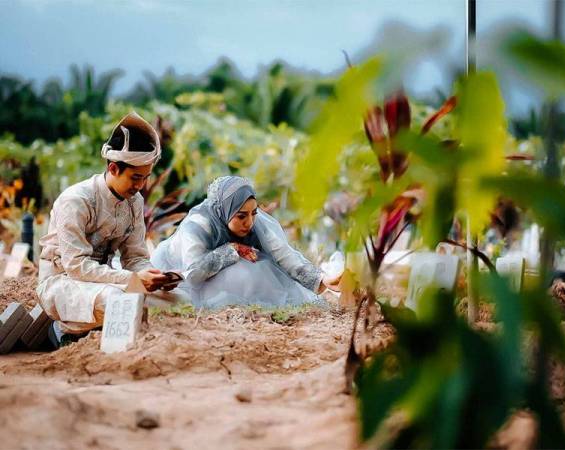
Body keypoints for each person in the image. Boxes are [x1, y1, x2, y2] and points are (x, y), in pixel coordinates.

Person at [37, 112, 176, 348]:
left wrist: (154, 277)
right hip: (63, 283)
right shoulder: (76, 201)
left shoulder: (135, 202)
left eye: (145, 178)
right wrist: (132, 279)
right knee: (118, 299)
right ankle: (63, 329)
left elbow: (136, 258)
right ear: (113, 168)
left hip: (107, 281)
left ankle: (101, 332)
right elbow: (76, 267)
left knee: (176, 301)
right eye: (135, 178)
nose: (140, 186)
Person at [151, 176, 340, 308]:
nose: (249, 222)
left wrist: (322, 279)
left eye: (254, 213)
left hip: (219, 267)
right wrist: (232, 249)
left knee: (260, 268)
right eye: (241, 216)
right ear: (225, 211)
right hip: (184, 272)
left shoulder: (255, 223)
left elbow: (284, 255)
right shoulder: (198, 225)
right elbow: (193, 273)